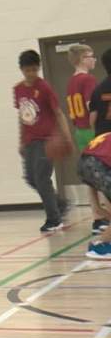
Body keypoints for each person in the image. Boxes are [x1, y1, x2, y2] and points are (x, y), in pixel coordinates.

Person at [14, 49, 70, 233]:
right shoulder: (18, 89)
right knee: (31, 179)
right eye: (27, 70)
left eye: (34, 69)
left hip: (46, 140)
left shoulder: (44, 87)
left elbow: (58, 112)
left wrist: (65, 135)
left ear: (38, 68)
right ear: (21, 69)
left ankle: (54, 219)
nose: (31, 73)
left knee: (42, 178)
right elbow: (22, 115)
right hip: (29, 141)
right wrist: (21, 140)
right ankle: (59, 204)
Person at [66, 44, 109, 233]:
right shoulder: (89, 80)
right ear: (82, 59)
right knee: (103, 172)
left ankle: (96, 216)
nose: (93, 59)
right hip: (91, 131)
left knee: (90, 179)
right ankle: (103, 216)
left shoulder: (71, 82)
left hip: (78, 130)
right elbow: (92, 108)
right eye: (90, 56)